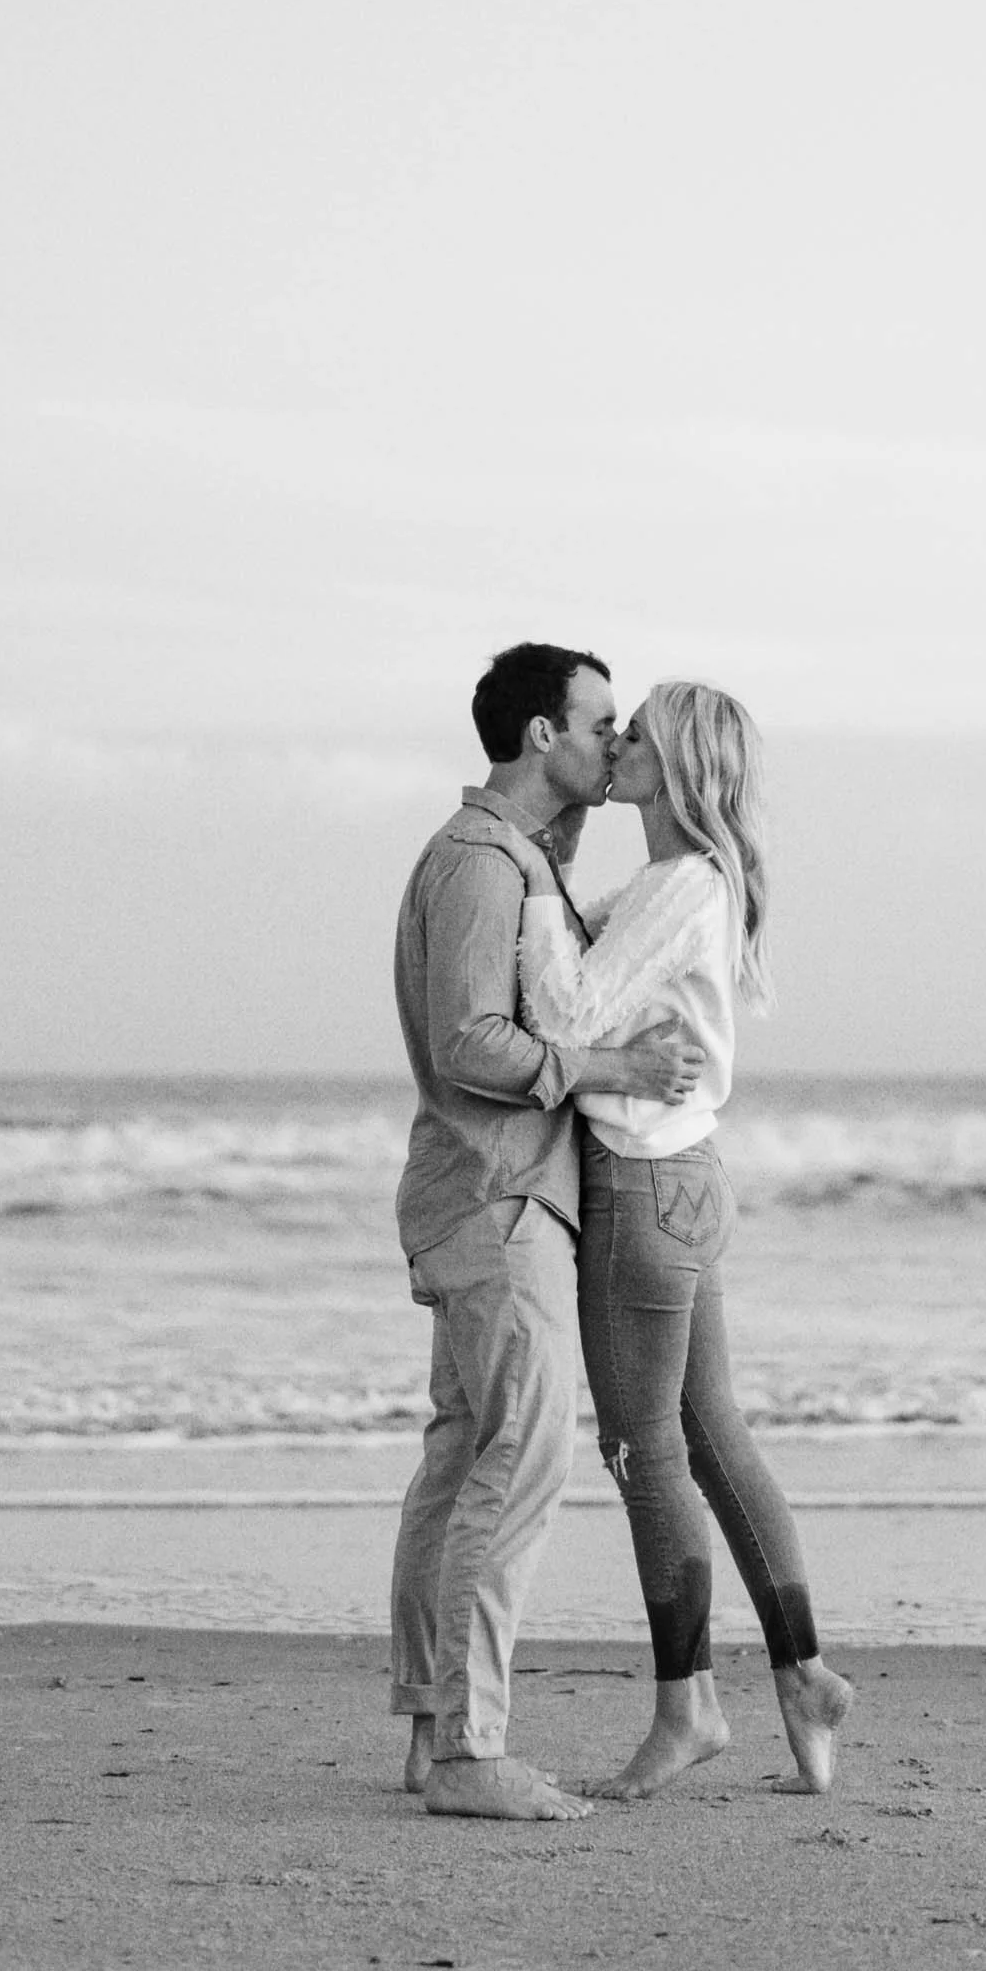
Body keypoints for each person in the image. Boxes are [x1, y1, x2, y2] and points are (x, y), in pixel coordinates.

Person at [515, 680, 854, 1800]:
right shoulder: (683, 883)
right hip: (693, 1178)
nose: (614, 742)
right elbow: (590, 951)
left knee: (644, 1451)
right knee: (712, 1435)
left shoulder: (677, 885)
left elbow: (564, 1013)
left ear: (673, 767)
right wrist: (549, 880)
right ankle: (802, 1675)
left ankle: (688, 1703)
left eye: (635, 731)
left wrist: (516, 882)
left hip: (644, 1185)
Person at [388, 641, 706, 1822]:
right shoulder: (477, 862)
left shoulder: (517, 855)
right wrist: (612, 1064)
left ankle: (434, 1732)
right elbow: (470, 1037)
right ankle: (469, 1746)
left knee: (467, 1454)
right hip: (496, 1194)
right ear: (539, 734)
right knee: (519, 1457)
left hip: (487, 1192)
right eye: (599, 722)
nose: (613, 743)